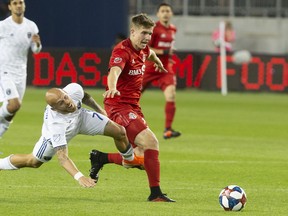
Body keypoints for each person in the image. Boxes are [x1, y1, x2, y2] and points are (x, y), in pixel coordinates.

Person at [89, 13, 175, 202]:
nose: (147, 37)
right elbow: (114, 72)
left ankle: (101, 158)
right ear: (133, 31)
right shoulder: (122, 51)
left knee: (139, 160)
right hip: (118, 106)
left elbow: (150, 53)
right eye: (144, 33)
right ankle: (156, 194)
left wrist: (158, 62)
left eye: (150, 33)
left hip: (133, 107)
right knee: (151, 143)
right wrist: (112, 88)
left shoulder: (143, 49)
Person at [0, 83, 137, 187]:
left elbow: (85, 96)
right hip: (60, 134)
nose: (67, 102)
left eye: (65, 97)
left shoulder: (73, 89)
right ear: (54, 108)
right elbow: (62, 157)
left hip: (80, 118)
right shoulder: (55, 125)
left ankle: (129, 159)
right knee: (33, 162)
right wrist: (79, 177)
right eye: (61, 103)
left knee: (119, 132)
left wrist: (100, 110)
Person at [0, 0, 42, 138]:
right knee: (14, 104)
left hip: (21, 73)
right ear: (10, 7)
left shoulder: (31, 26)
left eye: (21, 2)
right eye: (15, 3)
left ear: (24, 5)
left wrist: (37, 44)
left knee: (12, 111)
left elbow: (36, 50)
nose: (18, 5)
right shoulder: (3, 26)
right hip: (4, 71)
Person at [142, 2, 181, 139]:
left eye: (167, 11)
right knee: (132, 96)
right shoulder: (153, 29)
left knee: (171, 95)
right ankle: (117, 120)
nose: (165, 13)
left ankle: (167, 130)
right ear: (158, 14)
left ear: (171, 14)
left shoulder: (173, 29)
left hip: (165, 69)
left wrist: (167, 54)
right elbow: (147, 48)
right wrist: (164, 51)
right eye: (162, 11)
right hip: (150, 67)